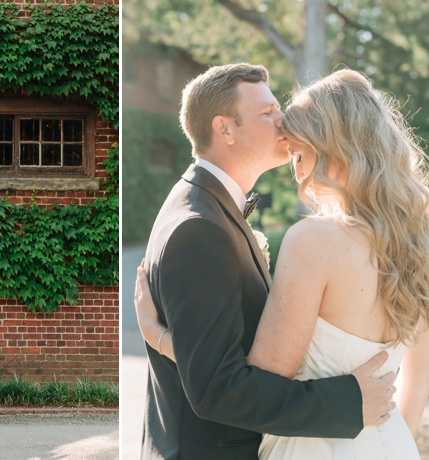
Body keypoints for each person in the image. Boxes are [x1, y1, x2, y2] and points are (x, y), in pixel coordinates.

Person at [133, 64, 399, 459]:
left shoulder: (209, 206)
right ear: (225, 129)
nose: (284, 120)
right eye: (267, 112)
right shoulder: (199, 229)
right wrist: (347, 403)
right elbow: (216, 390)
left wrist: (160, 336)